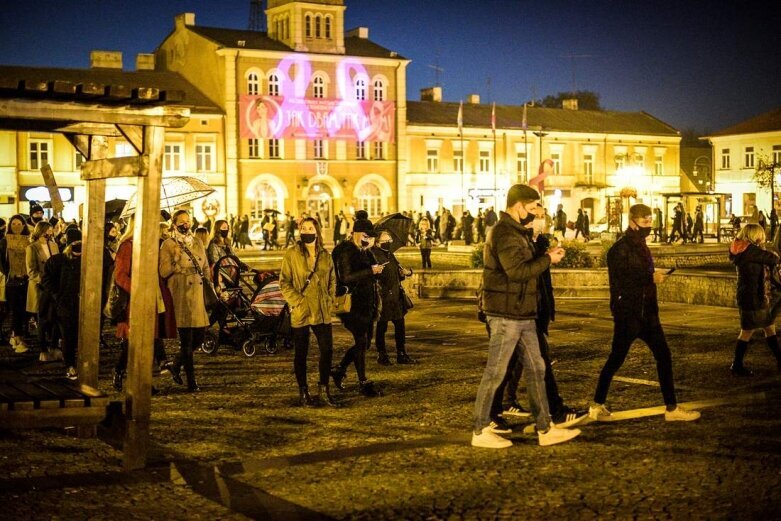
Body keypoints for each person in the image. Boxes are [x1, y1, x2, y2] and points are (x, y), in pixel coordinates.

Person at [471, 184, 579, 449]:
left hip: (522, 312)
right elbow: (517, 271)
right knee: (495, 372)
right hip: (506, 314)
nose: (534, 213)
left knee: (537, 367)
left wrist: (542, 252)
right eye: (531, 209)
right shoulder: (505, 232)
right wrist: (548, 260)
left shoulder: (516, 231)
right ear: (518, 207)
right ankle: (480, 430)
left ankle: (545, 428)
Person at [589, 204, 701, 423]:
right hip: (629, 314)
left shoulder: (640, 245)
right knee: (616, 358)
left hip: (647, 313)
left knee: (664, 356)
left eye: (650, 221)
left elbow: (639, 272)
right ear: (633, 222)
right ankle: (597, 404)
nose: (649, 226)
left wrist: (652, 276)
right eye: (645, 222)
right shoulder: (620, 249)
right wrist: (650, 278)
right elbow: (622, 280)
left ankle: (671, 408)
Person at [279, 217, 338, 407]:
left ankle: (323, 389)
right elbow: (284, 282)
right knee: (301, 353)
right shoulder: (291, 254)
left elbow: (332, 281)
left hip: (321, 310)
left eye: (310, 228)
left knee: (327, 350)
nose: (306, 231)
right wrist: (297, 301)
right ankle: (303, 392)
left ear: (316, 231)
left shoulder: (325, 255)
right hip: (302, 310)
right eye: (303, 228)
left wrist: (329, 299)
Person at [111, 217, 174, 391]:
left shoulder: (151, 245)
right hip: (134, 301)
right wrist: (137, 290)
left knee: (149, 341)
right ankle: (120, 370)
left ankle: (143, 381)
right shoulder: (127, 246)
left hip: (152, 297)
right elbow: (120, 275)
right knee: (134, 342)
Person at [330, 210, 384, 397]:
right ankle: (363, 381)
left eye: (370, 237)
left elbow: (374, 271)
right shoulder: (346, 251)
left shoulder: (365, 251)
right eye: (365, 236)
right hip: (352, 304)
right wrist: (370, 270)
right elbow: (346, 277)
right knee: (361, 341)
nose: (367, 239)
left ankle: (339, 369)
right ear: (355, 233)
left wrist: (376, 267)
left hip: (368, 302)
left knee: (365, 343)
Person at [159, 210, 210, 392]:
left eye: (188, 221)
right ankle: (192, 381)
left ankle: (176, 364)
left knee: (200, 337)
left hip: (197, 293)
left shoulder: (197, 242)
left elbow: (205, 266)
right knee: (186, 341)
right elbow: (163, 272)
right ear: (174, 224)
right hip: (180, 294)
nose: (186, 225)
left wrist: (211, 285)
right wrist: (176, 260)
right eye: (182, 222)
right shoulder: (168, 244)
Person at [728, 223, 781, 376]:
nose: (762, 239)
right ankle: (736, 365)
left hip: (752, 296)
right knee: (747, 331)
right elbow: (772, 258)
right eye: (761, 235)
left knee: (769, 327)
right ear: (754, 235)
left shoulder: (743, 249)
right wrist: (775, 255)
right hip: (752, 298)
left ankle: (779, 359)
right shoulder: (750, 251)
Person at [40, 228, 82, 380]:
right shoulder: (57, 261)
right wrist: (57, 295)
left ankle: (80, 362)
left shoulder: (86, 261)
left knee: (78, 335)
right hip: (64, 304)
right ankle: (70, 364)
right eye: (76, 244)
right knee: (68, 335)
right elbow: (46, 280)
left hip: (81, 303)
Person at [371, 231, 416, 366]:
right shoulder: (373, 255)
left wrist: (405, 273)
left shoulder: (390, 255)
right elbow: (373, 275)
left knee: (400, 325)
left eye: (390, 239)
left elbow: (397, 272)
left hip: (395, 295)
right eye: (385, 240)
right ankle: (382, 354)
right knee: (382, 326)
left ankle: (401, 353)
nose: (389, 242)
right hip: (382, 295)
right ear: (378, 242)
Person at [26, 221, 59, 358]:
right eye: (49, 229)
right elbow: (31, 270)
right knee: (43, 317)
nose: (51, 232)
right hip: (40, 287)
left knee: (56, 317)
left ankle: (54, 346)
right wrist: (44, 280)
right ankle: (43, 348)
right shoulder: (32, 248)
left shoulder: (54, 246)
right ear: (42, 231)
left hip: (53, 287)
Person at [0, 215, 31, 352]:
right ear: (9, 226)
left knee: (24, 310)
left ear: (24, 226)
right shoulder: (3, 242)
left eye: (19, 224)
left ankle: (15, 335)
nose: (16, 226)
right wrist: (8, 273)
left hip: (26, 279)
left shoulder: (29, 241)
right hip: (11, 281)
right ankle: (18, 338)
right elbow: (1, 261)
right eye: (14, 224)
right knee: (15, 309)